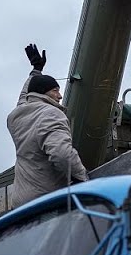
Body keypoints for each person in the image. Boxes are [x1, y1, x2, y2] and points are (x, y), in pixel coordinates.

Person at [7, 43, 89, 208]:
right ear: (43, 93)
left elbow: (26, 95)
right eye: (55, 91)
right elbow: (61, 153)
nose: (59, 96)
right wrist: (82, 178)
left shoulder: (17, 116)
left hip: (21, 203)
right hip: (45, 199)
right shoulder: (51, 114)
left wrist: (36, 70)